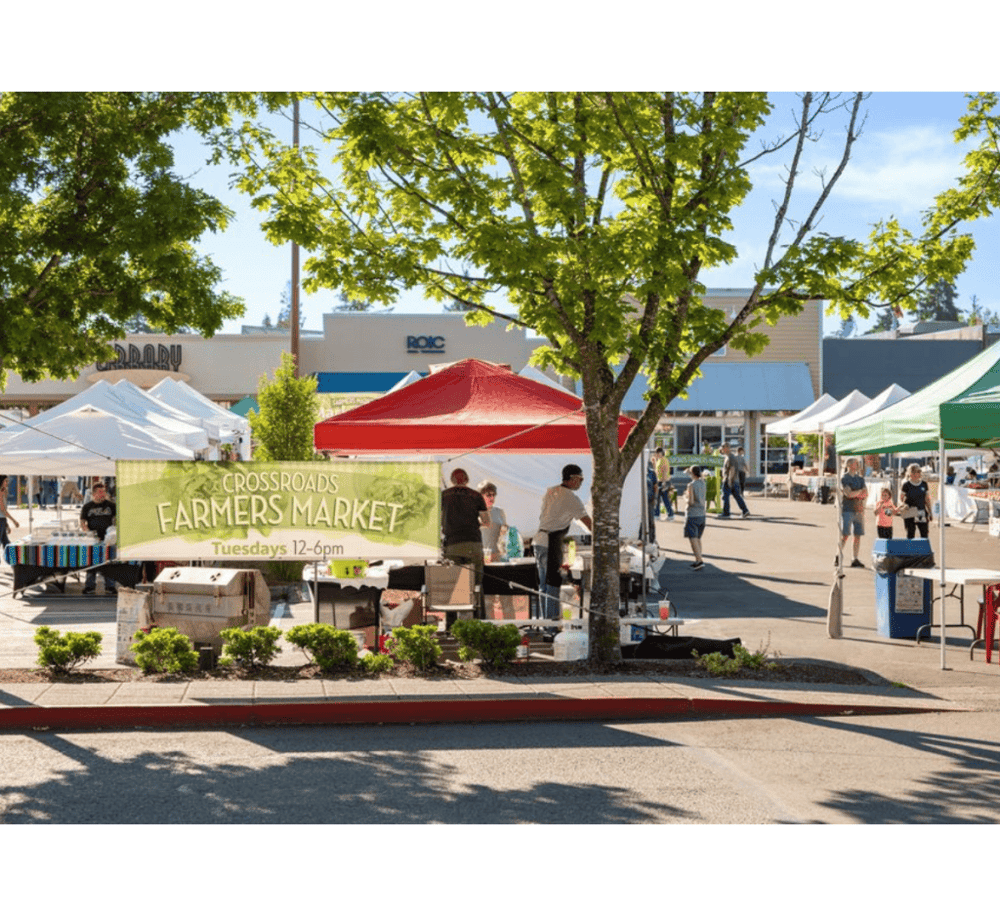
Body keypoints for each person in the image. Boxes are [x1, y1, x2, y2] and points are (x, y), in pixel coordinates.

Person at [535, 464, 592, 619]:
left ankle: (545, 622)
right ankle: (551, 625)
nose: (581, 483)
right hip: (551, 541)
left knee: (543, 586)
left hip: (540, 540)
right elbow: (587, 522)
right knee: (552, 584)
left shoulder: (551, 491)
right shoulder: (571, 498)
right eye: (580, 479)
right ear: (572, 478)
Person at [440, 468, 490, 612]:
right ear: (467, 479)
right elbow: (486, 521)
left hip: (452, 545)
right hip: (472, 543)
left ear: (452, 480)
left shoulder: (444, 495)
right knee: (476, 584)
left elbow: (436, 520)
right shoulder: (475, 495)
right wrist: (474, 523)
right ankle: (477, 619)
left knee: (454, 584)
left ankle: (454, 623)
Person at [478, 480, 516, 619]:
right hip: (483, 557)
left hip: (499, 556)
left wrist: (505, 531)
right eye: (488, 494)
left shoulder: (499, 512)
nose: (491, 497)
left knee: (505, 594)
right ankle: (489, 626)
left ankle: (511, 625)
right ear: (481, 495)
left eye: (494, 494)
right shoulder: (476, 511)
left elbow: (505, 533)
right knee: (488, 597)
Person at [80, 481, 117, 595]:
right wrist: (89, 533)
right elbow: (82, 523)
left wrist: (114, 532)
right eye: (100, 492)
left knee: (109, 562)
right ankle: (89, 586)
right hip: (93, 540)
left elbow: (117, 520)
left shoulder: (111, 505)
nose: (103, 494)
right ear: (94, 493)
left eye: (104, 492)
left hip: (108, 540)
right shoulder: (87, 506)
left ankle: (110, 586)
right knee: (91, 562)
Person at [839, 458, 867, 568]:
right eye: (856, 463)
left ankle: (855, 558)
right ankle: (838, 555)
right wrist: (859, 492)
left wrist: (857, 493)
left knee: (857, 535)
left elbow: (865, 493)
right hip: (847, 509)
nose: (858, 464)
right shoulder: (844, 478)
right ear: (849, 465)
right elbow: (848, 494)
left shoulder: (860, 479)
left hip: (858, 509)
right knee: (845, 535)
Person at [900, 463, 933, 539]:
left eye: (917, 472)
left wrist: (930, 512)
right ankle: (910, 550)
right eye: (913, 472)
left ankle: (924, 550)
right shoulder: (906, 485)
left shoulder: (924, 484)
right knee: (910, 533)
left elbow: (927, 499)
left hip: (921, 511)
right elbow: (901, 498)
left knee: (924, 533)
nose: (915, 474)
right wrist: (904, 504)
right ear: (909, 473)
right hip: (910, 512)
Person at [684, 465, 707, 570]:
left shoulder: (691, 485)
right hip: (702, 514)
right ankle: (698, 559)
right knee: (698, 538)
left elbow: (691, 501)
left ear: (692, 473)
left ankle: (699, 560)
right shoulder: (703, 483)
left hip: (693, 514)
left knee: (693, 539)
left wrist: (685, 498)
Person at [720, 444, 750, 519]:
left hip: (730, 480)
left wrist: (729, 480)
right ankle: (745, 510)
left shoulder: (731, 457)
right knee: (737, 496)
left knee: (725, 496)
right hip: (733, 480)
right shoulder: (728, 457)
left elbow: (732, 469)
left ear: (727, 448)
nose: (721, 450)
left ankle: (726, 513)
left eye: (723, 448)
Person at [0, 475, 21, 557]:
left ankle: (13, 558)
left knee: (5, 541)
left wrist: (6, 524)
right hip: (1, 520)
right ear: (1, 482)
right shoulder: (0, 493)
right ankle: (13, 558)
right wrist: (14, 521)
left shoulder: (2, 492)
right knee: (5, 541)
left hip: (2, 520)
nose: (7, 483)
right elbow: (3, 510)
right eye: (6, 481)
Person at [654, 447, 675, 520]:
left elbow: (665, 471)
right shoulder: (659, 460)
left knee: (659, 498)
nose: (655, 455)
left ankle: (657, 515)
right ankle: (670, 515)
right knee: (663, 498)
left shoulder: (663, 460)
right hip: (660, 481)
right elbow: (657, 471)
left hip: (663, 481)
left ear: (659, 453)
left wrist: (663, 482)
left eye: (656, 453)